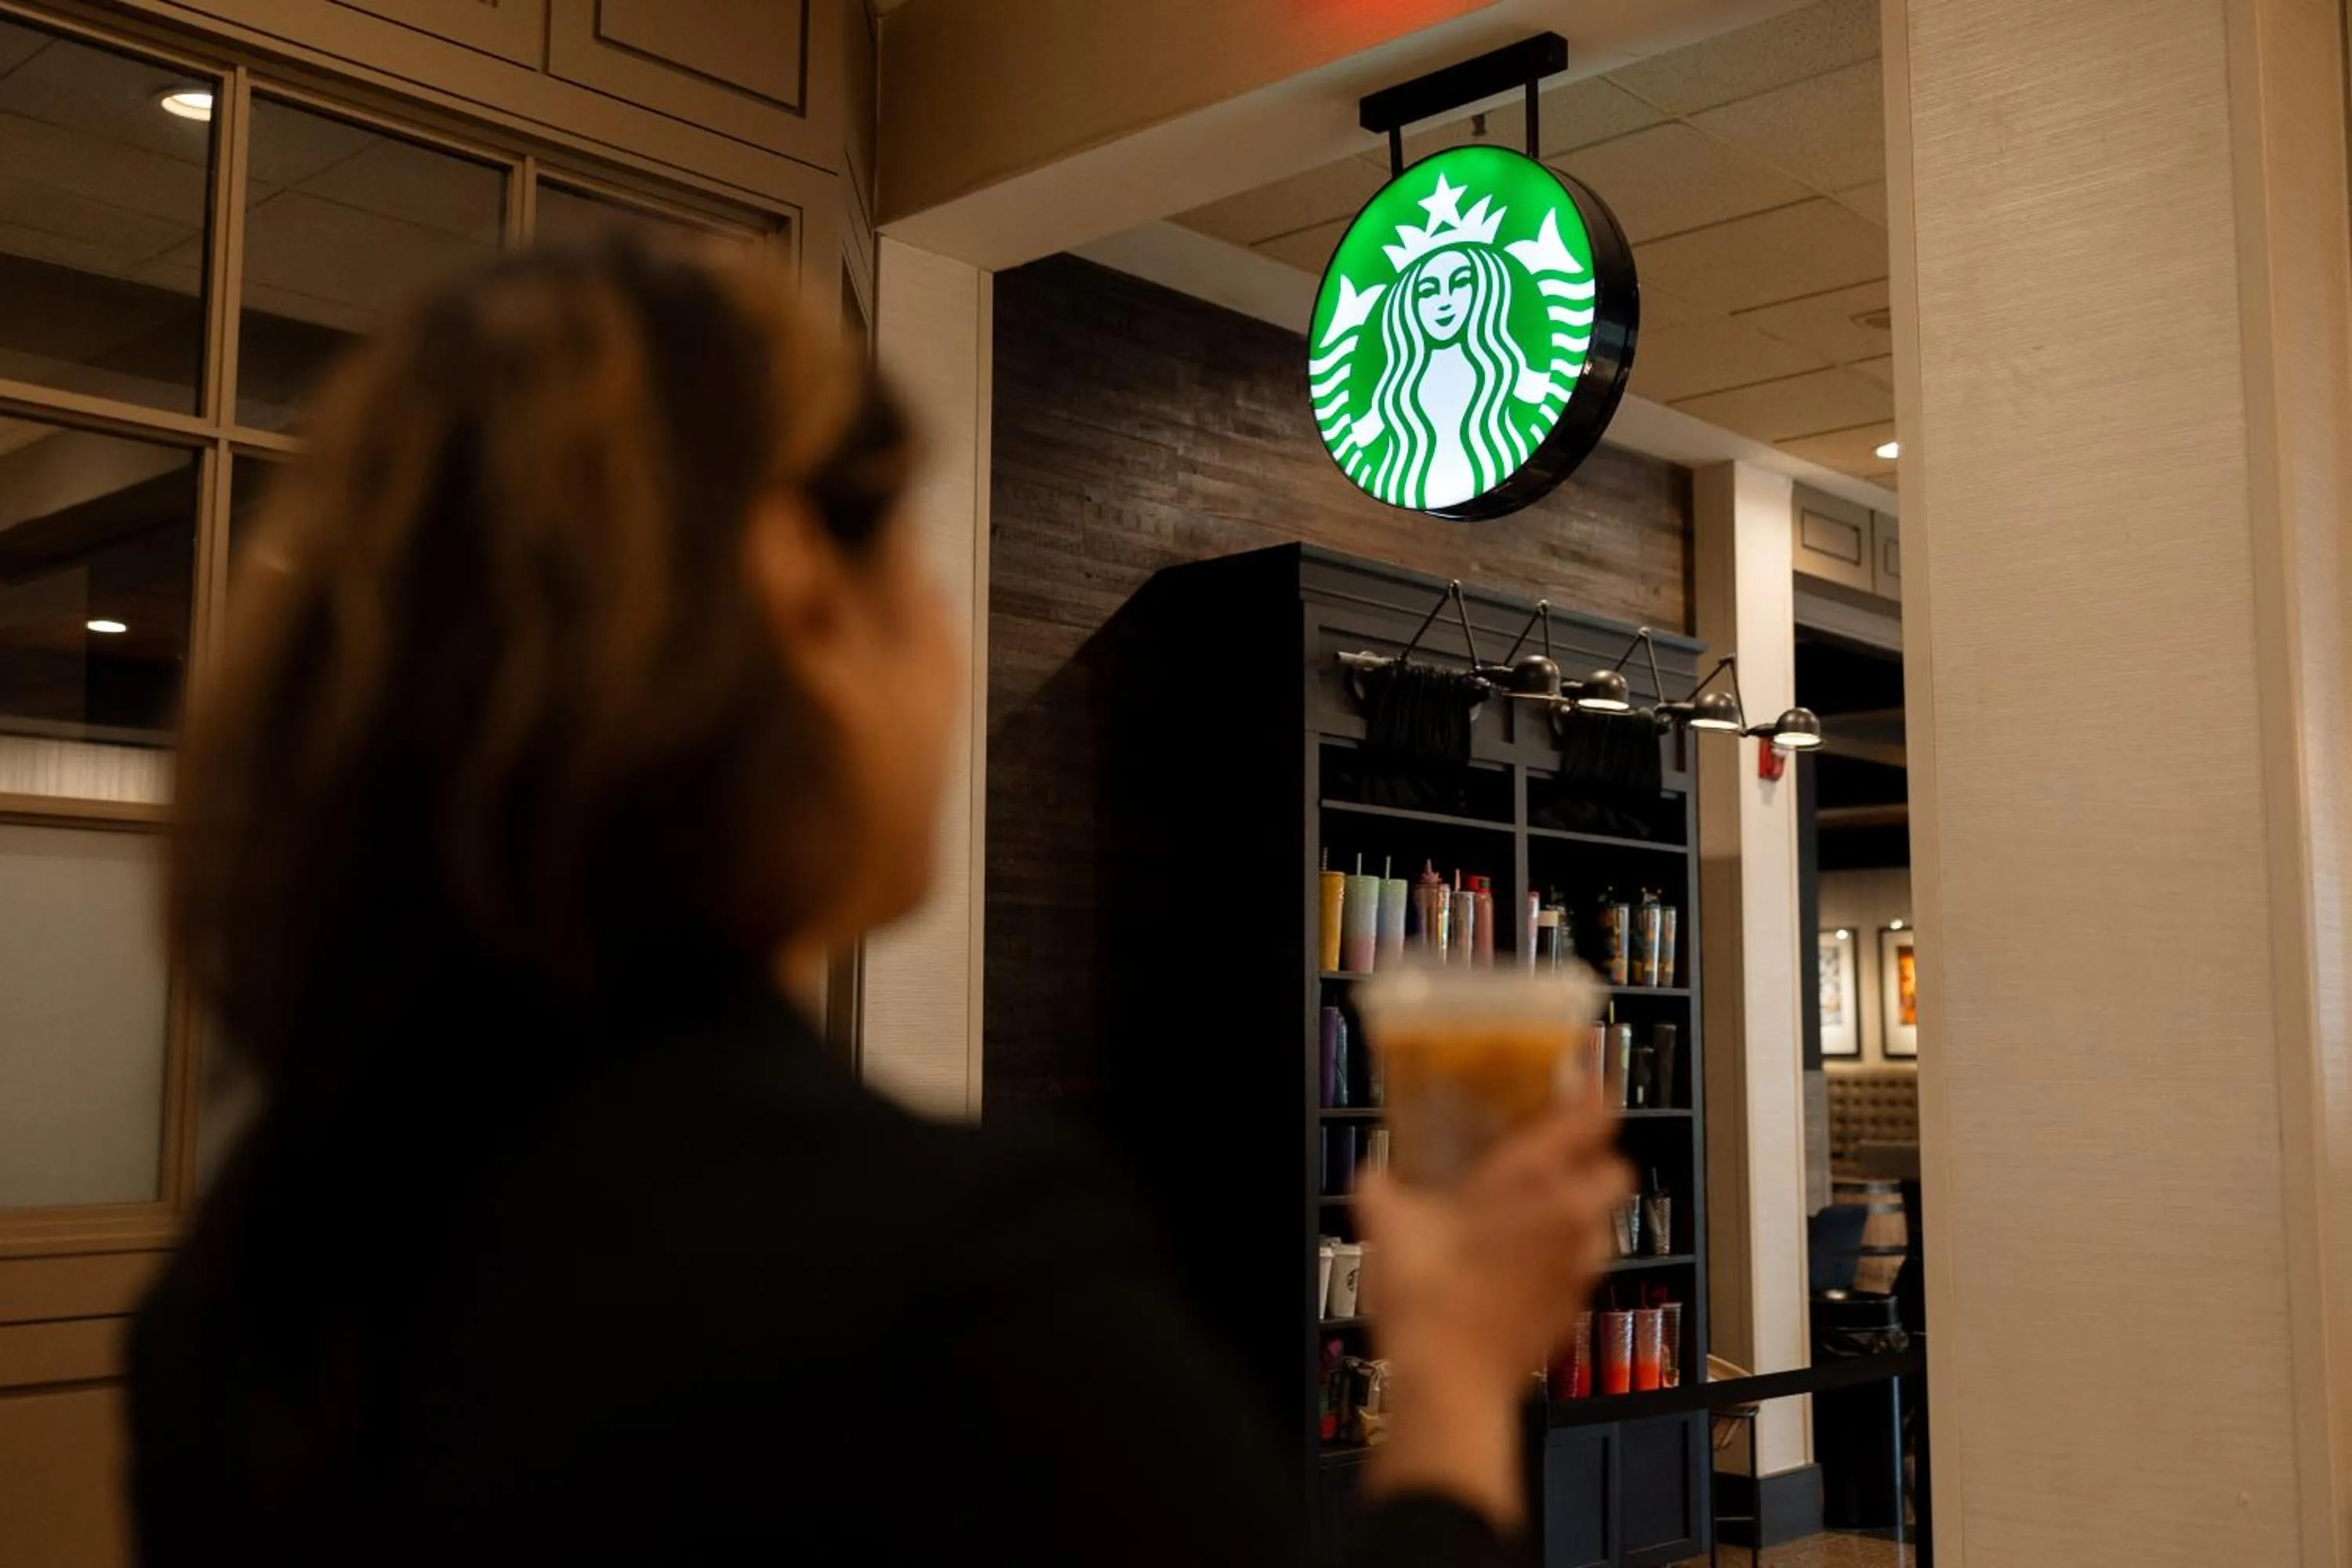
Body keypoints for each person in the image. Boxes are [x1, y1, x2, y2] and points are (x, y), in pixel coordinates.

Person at [130, 238, 1630, 1566]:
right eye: (910, 549)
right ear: (802, 597)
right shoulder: (953, 1289)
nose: (946, 632)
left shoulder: (238, 1305)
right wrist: (1449, 1372)